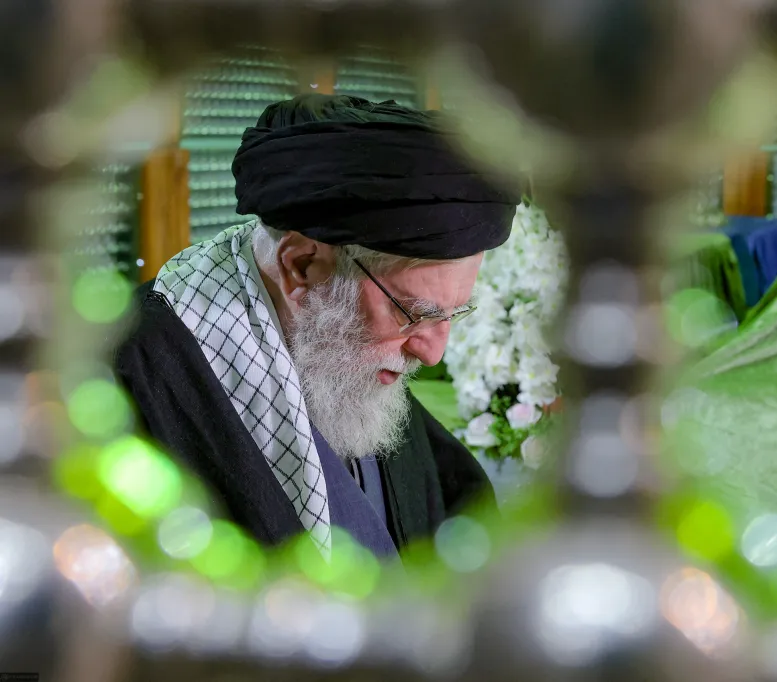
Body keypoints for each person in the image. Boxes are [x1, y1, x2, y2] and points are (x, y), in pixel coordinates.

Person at [114, 94, 520, 559]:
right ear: (303, 265)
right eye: (415, 313)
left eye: (450, 314)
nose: (433, 353)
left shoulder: (345, 357)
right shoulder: (126, 379)